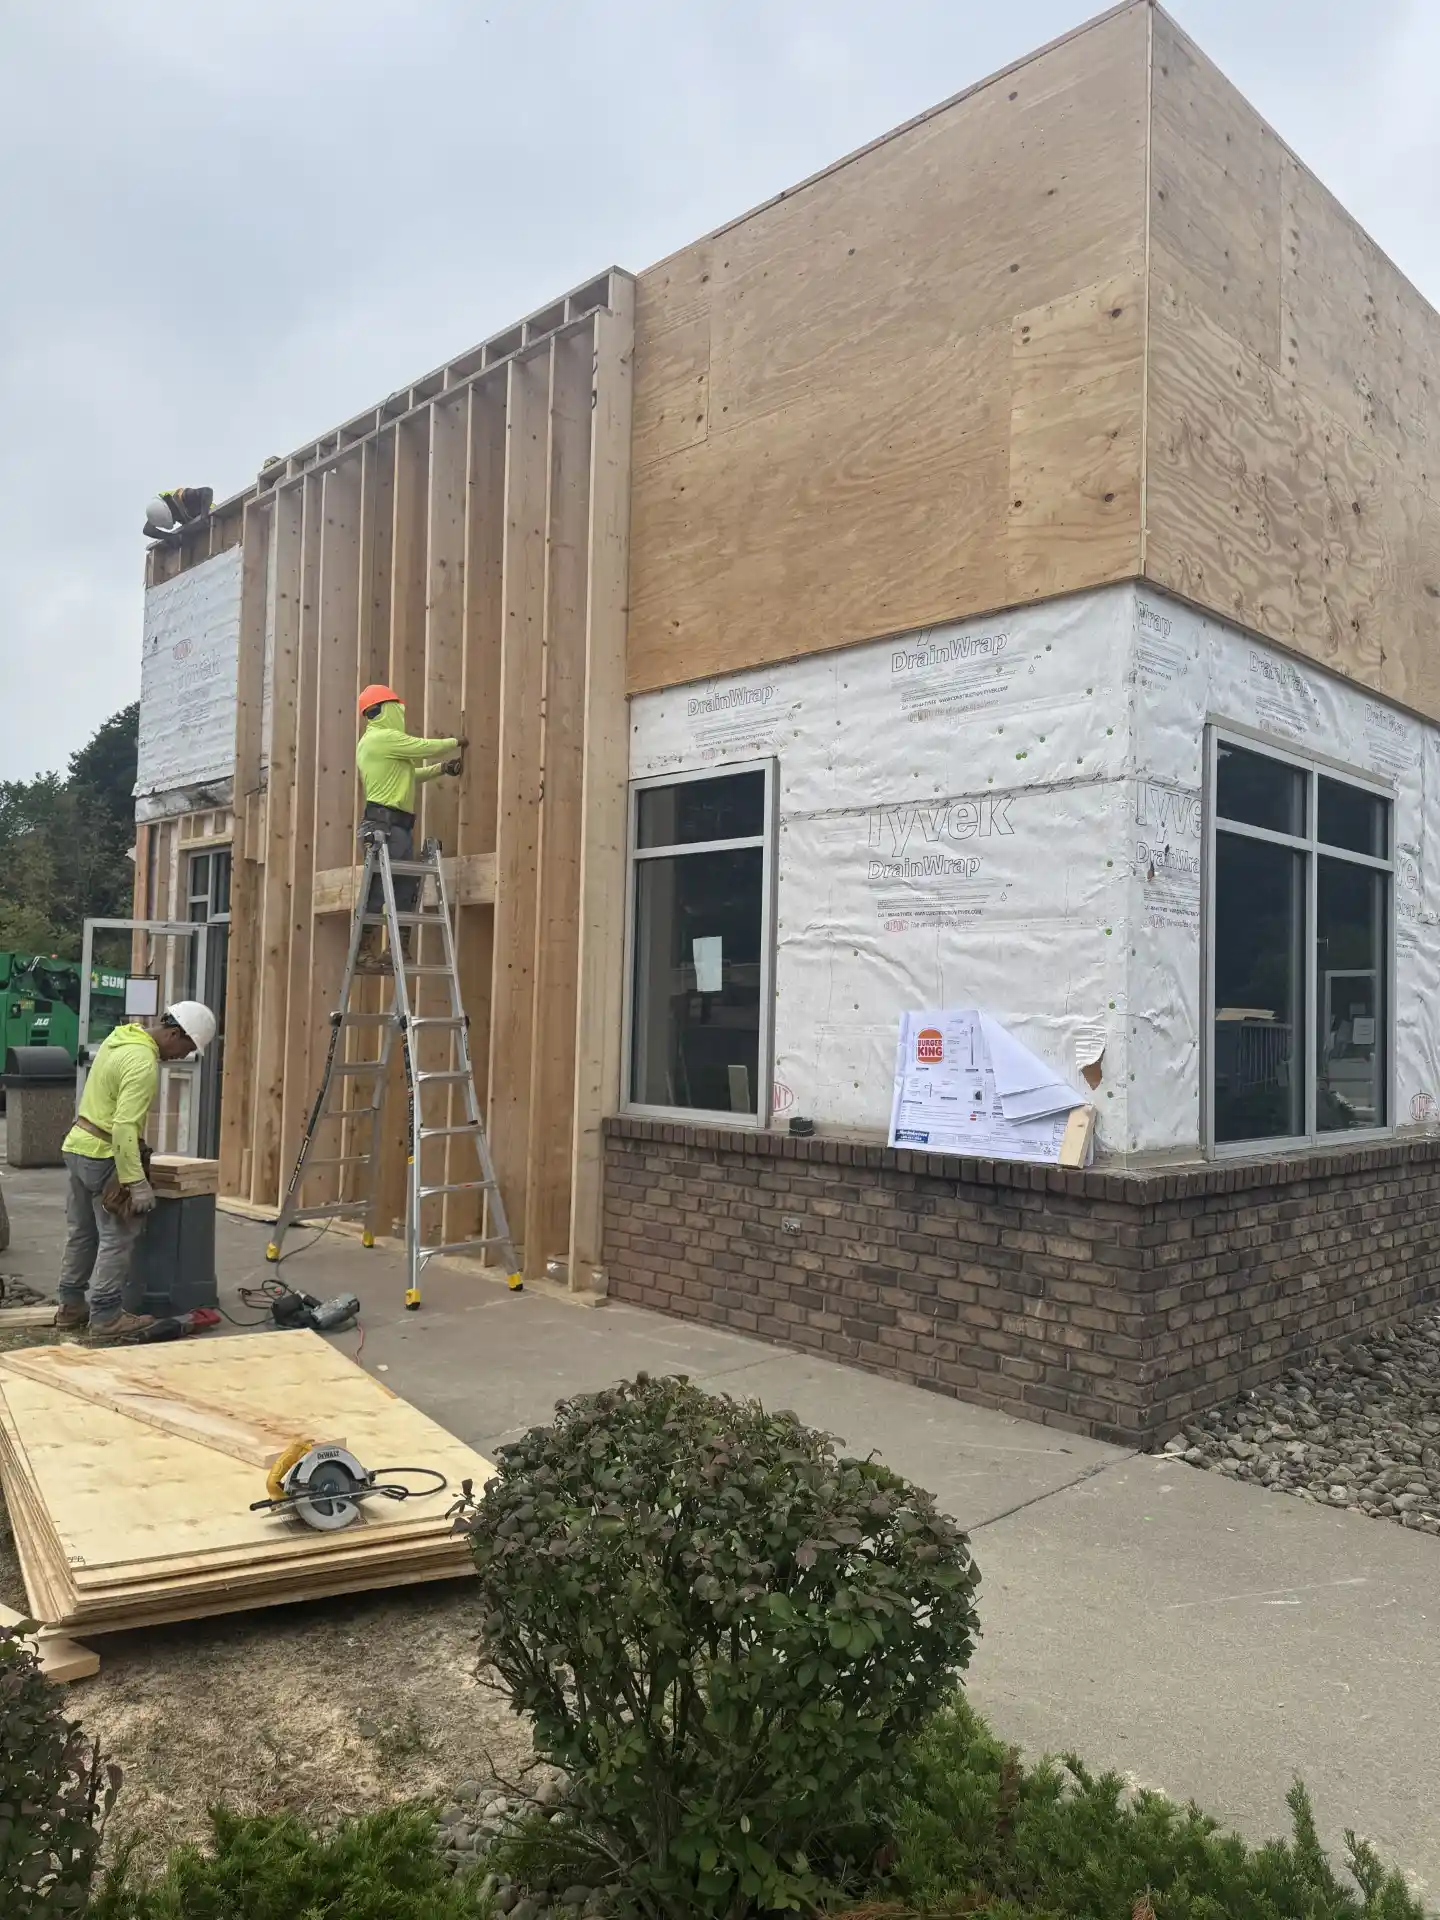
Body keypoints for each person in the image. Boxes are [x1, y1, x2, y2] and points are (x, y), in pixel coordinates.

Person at [56, 1001, 217, 1339]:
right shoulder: (143, 1063)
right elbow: (124, 1127)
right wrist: (135, 1181)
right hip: (103, 1155)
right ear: (173, 1034)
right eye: (187, 1046)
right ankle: (106, 1316)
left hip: (77, 1144)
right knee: (117, 1236)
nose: (184, 1055)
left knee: (82, 1232)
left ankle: (71, 1306)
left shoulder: (120, 1039)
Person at [353, 685, 464, 972]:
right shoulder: (380, 739)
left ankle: (397, 951)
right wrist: (456, 741)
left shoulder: (382, 745)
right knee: (378, 891)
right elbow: (422, 747)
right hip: (383, 827)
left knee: (404, 891)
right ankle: (363, 951)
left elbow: (409, 774)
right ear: (383, 710)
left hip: (397, 827)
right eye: (395, 708)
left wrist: (442, 769)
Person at [142, 486, 214, 547]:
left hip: (213, 517)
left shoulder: (186, 496)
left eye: (173, 519)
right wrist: (170, 537)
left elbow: (207, 491)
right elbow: (147, 530)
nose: (174, 522)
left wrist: (204, 517)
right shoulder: (158, 511)